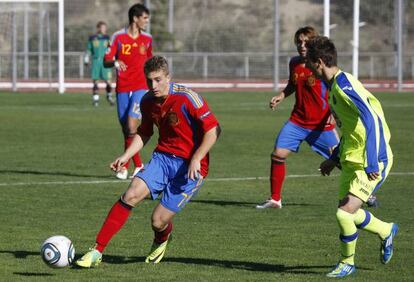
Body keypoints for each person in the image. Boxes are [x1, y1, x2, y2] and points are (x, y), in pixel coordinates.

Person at [75, 56, 221, 268]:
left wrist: (197, 158)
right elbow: (144, 133)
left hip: (191, 167)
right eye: (149, 80)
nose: (153, 86)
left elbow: (214, 129)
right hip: (162, 159)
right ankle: (97, 250)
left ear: (168, 77)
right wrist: (125, 157)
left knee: (157, 221)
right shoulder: (147, 101)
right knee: (130, 194)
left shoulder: (189, 98)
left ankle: (162, 238)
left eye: (158, 80)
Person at [305, 36, 398, 278]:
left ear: (318, 63)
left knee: (343, 213)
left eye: (308, 63)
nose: (306, 68)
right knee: (350, 214)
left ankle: (347, 263)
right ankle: (386, 230)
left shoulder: (344, 85)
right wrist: (334, 158)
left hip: (371, 160)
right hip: (351, 158)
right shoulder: (333, 87)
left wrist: (372, 159)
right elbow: (351, 128)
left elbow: (372, 120)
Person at [256, 26, 339, 209]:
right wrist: (282, 95)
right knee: (278, 154)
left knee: (342, 160)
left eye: (306, 42)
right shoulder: (294, 62)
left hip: (321, 124)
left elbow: (335, 88)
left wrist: (334, 113)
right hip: (298, 121)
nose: (302, 45)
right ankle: (275, 199)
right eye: (298, 42)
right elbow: (292, 84)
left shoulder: (321, 64)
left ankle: (368, 192)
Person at [104, 3, 153, 180]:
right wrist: (115, 62)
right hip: (123, 87)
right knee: (126, 129)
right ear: (135, 18)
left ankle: (124, 165)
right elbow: (106, 60)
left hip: (141, 88)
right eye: (145, 18)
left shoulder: (147, 39)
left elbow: (150, 62)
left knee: (132, 125)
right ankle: (138, 165)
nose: (147, 22)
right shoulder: (118, 37)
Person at [84, 21, 115, 106]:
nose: (104, 29)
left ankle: (109, 96)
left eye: (105, 27)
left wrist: (113, 58)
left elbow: (111, 49)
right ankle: (96, 100)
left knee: (108, 81)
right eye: (103, 27)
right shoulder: (93, 38)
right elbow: (89, 49)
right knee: (95, 81)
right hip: (96, 61)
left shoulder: (107, 38)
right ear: (98, 28)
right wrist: (86, 59)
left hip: (106, 61)